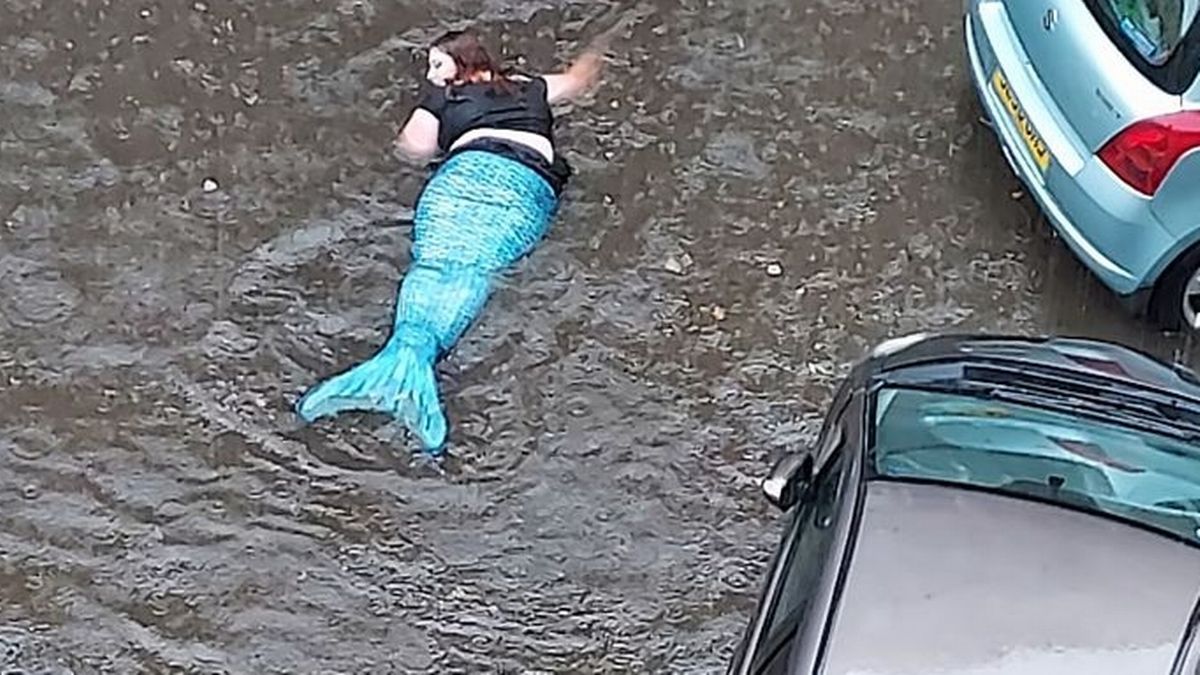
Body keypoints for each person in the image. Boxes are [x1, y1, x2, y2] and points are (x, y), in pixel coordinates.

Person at [294, 28, 606, 453]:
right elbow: (577, 82)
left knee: (435, 261)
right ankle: (412, 365)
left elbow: (413, 150)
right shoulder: (528, 86)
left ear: (465, 64)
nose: (431, 74)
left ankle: (402, 359)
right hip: (525, 187)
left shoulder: (441, 98)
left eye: (437, 64)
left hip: (461, 178)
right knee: (475, 267)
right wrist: (602, 46)